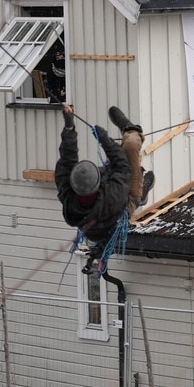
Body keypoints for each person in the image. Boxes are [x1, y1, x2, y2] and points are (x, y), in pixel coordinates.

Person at [55, 104, 154, 273]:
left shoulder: (69, 195)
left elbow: (67, 160)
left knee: (116, 157)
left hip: (107, 199)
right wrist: (105, 141)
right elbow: (122, 166)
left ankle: (125, 134)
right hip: (126, 199)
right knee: (130, 144)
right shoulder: (112, 198)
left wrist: (69, 127)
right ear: (98, 181)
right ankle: (129, 128)